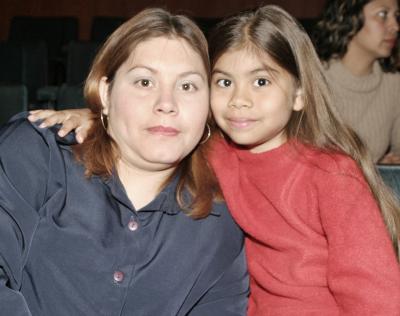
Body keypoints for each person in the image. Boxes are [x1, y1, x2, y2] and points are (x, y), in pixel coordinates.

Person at [29, 4, 400, 316]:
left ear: (299, 94)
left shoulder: (332, 174)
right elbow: (152, 128)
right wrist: (95, 116)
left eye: (261, 82)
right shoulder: (212, 152)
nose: (240, 99)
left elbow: (374, 293)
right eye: (224, 82)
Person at [0, 8, 249, 316]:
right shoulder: (35, 155)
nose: (166, 104)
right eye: (144, 82)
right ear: (106, 93)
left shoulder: (221, 222)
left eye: (187, 86)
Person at [313, 0, 400, 164]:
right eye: (383, 14)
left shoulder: (394, 83)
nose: (395, 26)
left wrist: (390, 167)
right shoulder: (310, 78)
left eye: (396, 16)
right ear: (349, 18)